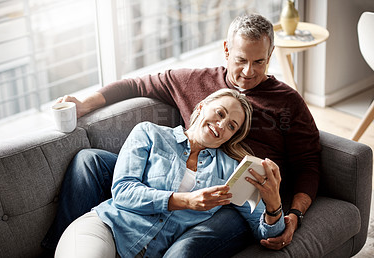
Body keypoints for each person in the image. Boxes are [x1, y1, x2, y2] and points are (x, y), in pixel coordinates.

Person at [42, 13, 321, 256]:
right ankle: (62, 245)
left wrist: (292, 214)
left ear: (270, 57)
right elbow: (136, 84)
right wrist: (85, 104)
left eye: (259, 62)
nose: (249, 71)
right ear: (226, 50)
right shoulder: (192, 84)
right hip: (180, 163)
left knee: (184, 250)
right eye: (241, 60)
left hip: (232, 191)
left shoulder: (288, 102)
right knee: (88, 161)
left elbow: (309, 164)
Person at [54, 89, 285, 258]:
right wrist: (186, 201)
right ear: (202, 106)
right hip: (107, 228)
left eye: (232, 126)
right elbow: (123, 191)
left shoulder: (230, 171)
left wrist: (274, 204)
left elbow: (265, 234)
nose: (222, 125)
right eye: (220, 113)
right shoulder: (150, 133)